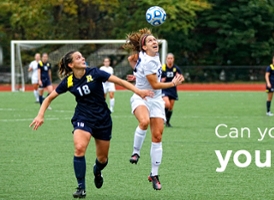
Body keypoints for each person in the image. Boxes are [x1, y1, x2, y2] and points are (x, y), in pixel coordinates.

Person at [29, 51, 153, 198]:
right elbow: (49, 98)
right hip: (83, 117)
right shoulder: (69, 81)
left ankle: (97, 171)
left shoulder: (95, 73)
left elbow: (120, 81)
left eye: (82, 56)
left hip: (102, 119)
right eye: (78, 58)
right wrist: (40, 115)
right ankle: (81, 187)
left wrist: (139, 91)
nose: (82, 58)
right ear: (71, 64)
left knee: (102, 159)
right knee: (79, 148)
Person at [123, 28, 184, 190]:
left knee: (157, 136)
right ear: (144, 47)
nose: (154, 42)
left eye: (154, 40)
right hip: (142, 96)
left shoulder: (150, 56)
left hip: (156, 99)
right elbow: (155, 84)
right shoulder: (148, 61)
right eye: (149, 41)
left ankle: (154, 174)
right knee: (143, 121)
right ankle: (136, 152)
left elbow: (132, 59)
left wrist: (137, 73)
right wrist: (173, 83)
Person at [160, 53, 182, 127]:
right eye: (168, 58)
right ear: (166, 59)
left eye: (171, 58)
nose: (170, 60)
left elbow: (182, 78)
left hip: (172, 89)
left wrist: (179, 78)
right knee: (167, 104)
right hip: (164, 88)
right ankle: (162, 119)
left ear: (173, 59)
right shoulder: (162, 68)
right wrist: (161, 80)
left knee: (170, 107)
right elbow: (156, 78)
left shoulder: (176, 68)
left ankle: (167, 122)